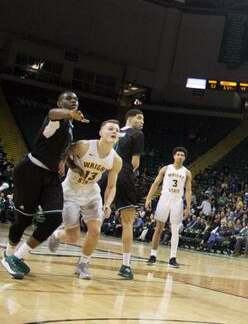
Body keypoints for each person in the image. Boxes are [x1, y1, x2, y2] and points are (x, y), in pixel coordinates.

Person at [2, 91, 88, 279]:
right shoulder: (57, 118)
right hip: (31, 170)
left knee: (55, 218)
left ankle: (17, 257)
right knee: (23, 220)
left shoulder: (70, 127)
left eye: (76, 100)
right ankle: (8, 252)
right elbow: (51, 113)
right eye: (68, 98)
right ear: (60, 102)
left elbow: (62, 150)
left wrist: (71, 165)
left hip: (50, 177)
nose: (73, 101)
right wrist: (68, 114)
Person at [45, 120, 122, 279]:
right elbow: (64, 151)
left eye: (117, 130)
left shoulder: (116, 160)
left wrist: (107, 204)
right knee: (73, 237)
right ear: (101, 132)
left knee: (95, 230)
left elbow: (111, 186)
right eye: (110, 128)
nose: (114, 131)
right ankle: (57, 235)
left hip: (91, 193)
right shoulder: (84, 146)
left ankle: (83, 263)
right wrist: (72, 167)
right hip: (70, 192)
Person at [106, 108, 145, 280]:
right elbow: (135, 163)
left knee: (93, 215)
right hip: (123, 174)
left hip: (104, 171)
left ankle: (83, 259)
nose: (142, 121)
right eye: (139, 118)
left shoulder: (112, 130)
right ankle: (126, 265)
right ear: (129, 119)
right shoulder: (137, 134)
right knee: (128, 220)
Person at [144, 147, 192, 268]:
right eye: (178, 154)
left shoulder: (187, 172)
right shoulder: (166, 168)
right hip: (165, 198)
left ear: (185, 158)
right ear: (174, 156)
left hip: (177, 200)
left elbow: (188, 191)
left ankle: (173, 258)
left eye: (182, 155)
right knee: (159, 227)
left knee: (175, 229)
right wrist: (148, 198)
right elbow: (155, 183)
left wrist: (188, 207)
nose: (180, 156)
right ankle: (153, 255)